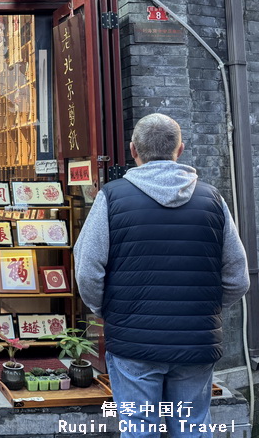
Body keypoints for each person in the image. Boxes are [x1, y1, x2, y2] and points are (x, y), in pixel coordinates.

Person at [74, 113, 249, 438]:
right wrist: (204, 308)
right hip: (196, 341)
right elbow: (238, 278)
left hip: (133, 343)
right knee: (192, 428)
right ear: (179, 149)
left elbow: (87, 271)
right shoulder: (213, 200)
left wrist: (109, 310)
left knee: (139, 430)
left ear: (133, 150)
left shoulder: (111, 198)